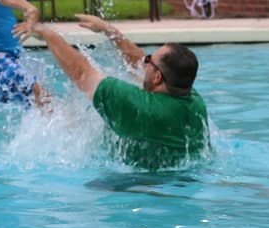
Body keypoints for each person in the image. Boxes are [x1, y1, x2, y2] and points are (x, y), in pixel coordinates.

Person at [28, 14, 209, 168]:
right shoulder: (193, 100)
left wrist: (46, 33)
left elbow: (82, 73)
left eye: (149, 61)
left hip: (139, 185)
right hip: (180, 177)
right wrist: (109, 31)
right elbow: (138, 63)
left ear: (157, 77)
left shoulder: (141, 106)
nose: (144, 63)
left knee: (68, 121)